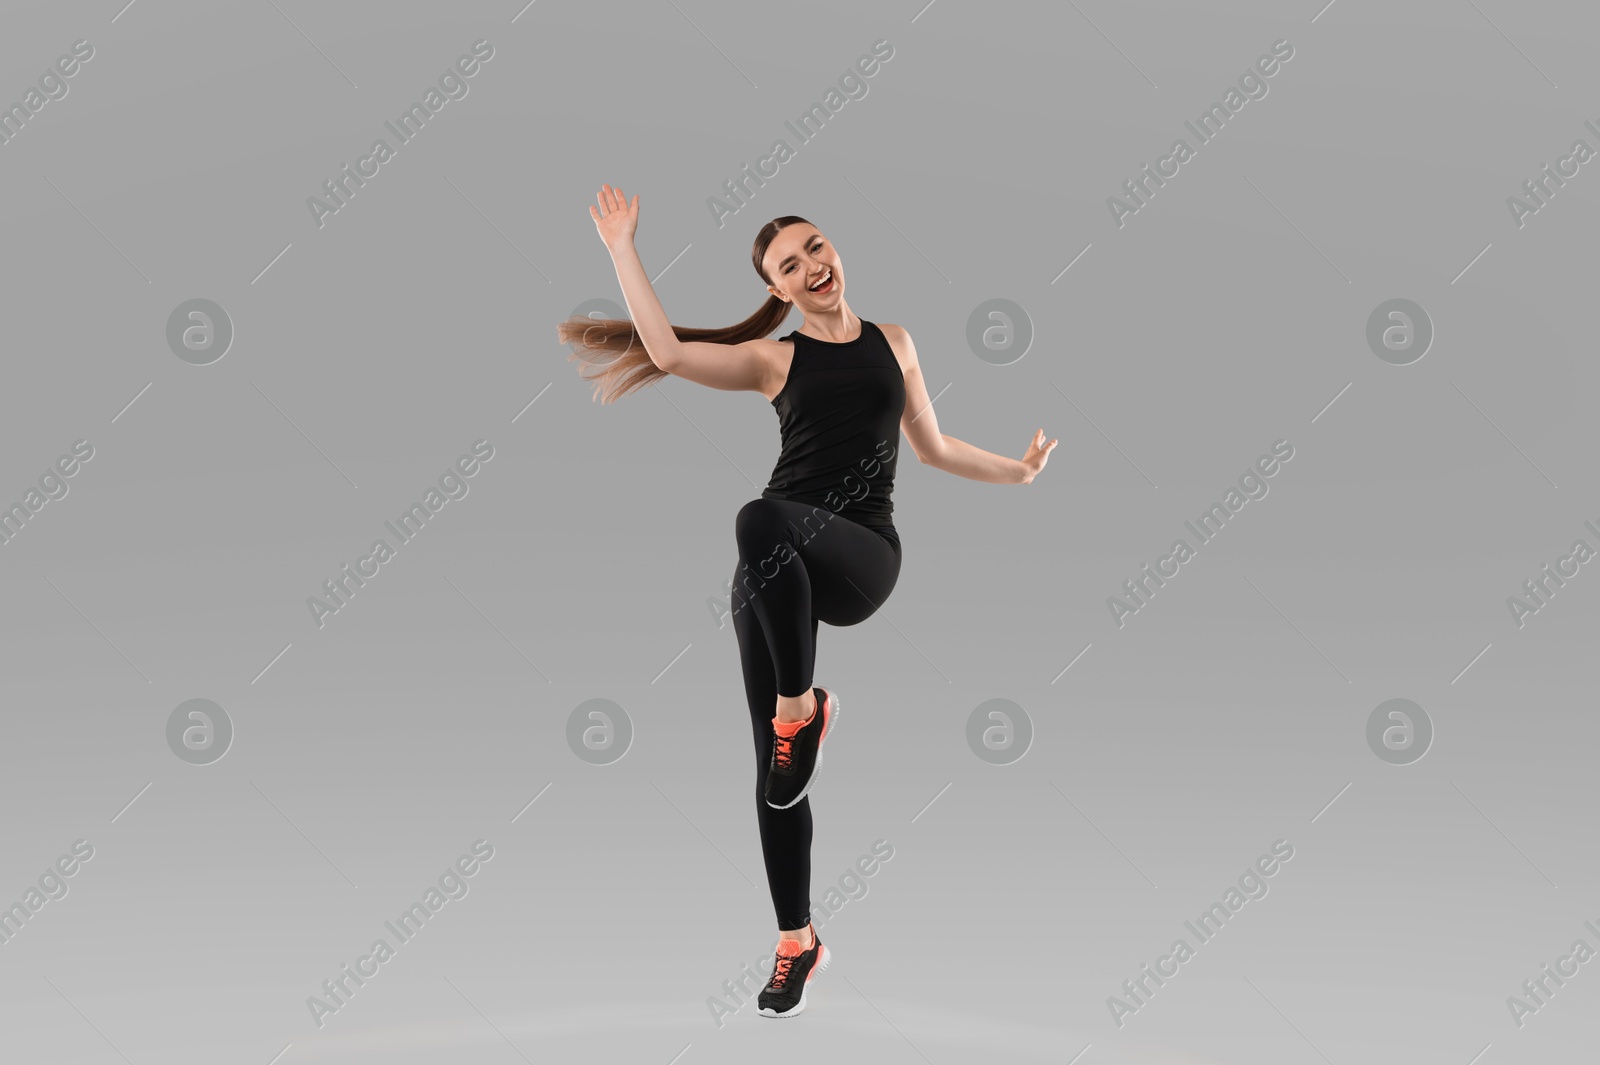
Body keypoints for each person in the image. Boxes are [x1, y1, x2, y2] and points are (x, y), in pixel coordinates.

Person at [558, 184, 1058, 1018]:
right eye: (788, 265)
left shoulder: (894, 342)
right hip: (773, 567)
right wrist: (621, 249)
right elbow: (672, 354)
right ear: (777, 291)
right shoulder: (775, 360)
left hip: (859, 553)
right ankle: (798, 939)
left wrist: (1020, 468)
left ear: (834, 253)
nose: (810, 265)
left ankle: (803, 708)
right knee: (776, 777)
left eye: (814, 247)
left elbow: (931, 449)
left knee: (760, 519)